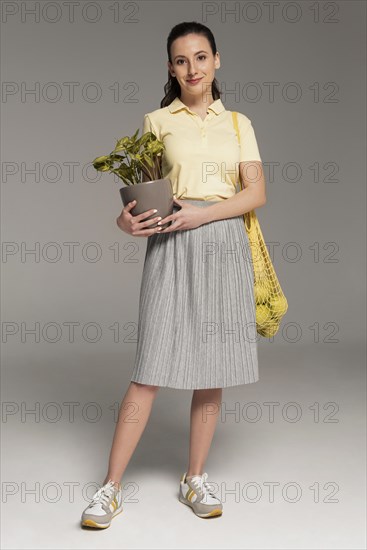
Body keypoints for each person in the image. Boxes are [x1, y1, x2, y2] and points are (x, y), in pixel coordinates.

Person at [81, 21, 266, 529]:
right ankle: (109, 488)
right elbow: (143, 196)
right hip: (171, 247)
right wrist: (125, 220)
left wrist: (202, 214)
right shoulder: (156, 121)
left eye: (201, 57)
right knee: (150, 370)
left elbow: (255, 195)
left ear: (217, 61)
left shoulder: (238, 124)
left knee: (215, 369)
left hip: (224, 245)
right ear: (170, 67)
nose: (193, 69)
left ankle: (195, 478)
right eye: (182, 60)